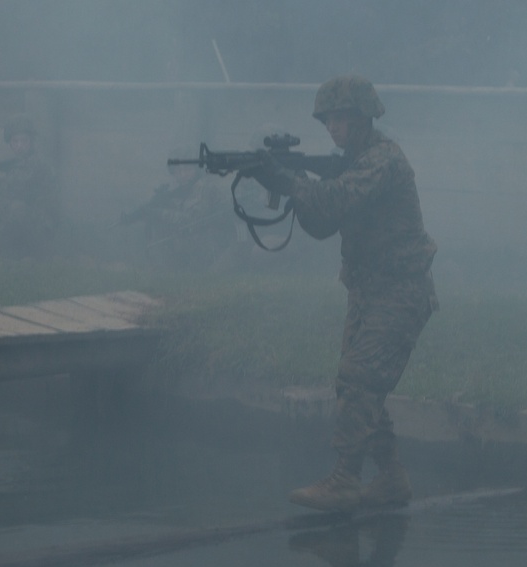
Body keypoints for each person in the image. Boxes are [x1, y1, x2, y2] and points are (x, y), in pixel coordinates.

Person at [247, 75, 438, 512]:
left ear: (363, 117)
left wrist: (291, 182)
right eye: (328, 119)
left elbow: (332, 201)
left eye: (340, 118)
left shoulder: (382, 160)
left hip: (400, 291)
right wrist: (290, 187)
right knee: (356, 384)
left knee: (359, 380)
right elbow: (322, 223)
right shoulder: (350, 162)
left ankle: (345, 480)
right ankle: (390, 477)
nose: (333, 127)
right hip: (368, 291)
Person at [120, 150, 240, 271]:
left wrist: (158, 212)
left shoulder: (204, 187)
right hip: (197, 247)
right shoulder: (182, 190)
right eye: (178, 171)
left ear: (196, 170)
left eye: (187, 170)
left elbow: (192, 221)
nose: (182, 175)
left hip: (215, 248)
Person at [0, 115, 61, 258]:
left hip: (43, 226)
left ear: (31, 141)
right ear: (10, 143)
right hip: (33, 221)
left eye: (24, 141)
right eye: (15, 141)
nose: (19, 145)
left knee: (11, 206)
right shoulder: (21, 162)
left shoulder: (35, 163)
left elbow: (12, 188)